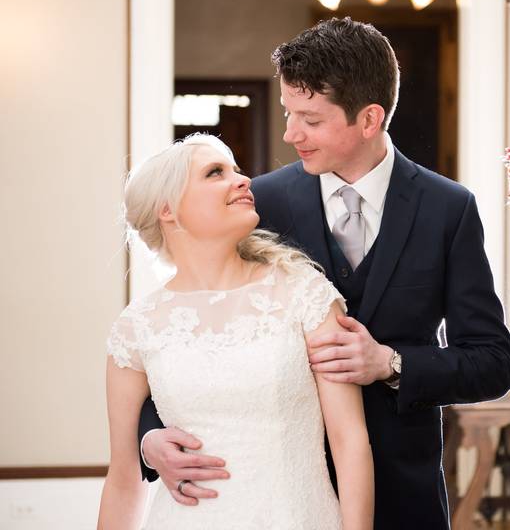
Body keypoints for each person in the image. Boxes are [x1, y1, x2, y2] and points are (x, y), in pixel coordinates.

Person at [138, 17, 510, 528]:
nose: (291, 133)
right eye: (288, 113)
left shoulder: (448, 209)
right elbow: (181, 328)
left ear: (369, 119)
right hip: (277, 493)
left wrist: (391, 363)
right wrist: (150, 436)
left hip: (402, 493)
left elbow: (493, 363)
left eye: (310, 120)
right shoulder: (258, 204)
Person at [98, 135, 373, 529]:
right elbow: (124, 480)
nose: (243, 180)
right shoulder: (136, 328)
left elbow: (350, 442)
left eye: (236, 170)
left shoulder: (303, 292)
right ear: (167, 210)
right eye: (215, 173)